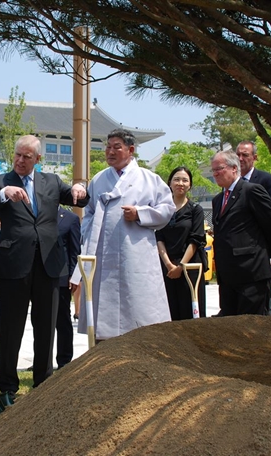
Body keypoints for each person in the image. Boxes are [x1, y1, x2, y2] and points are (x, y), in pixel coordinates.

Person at [0, 134, 88, 399]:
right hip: (13, 266)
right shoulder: (0, 181)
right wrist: (5, 194)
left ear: (37, 159)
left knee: (46, 327)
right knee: (11, 328)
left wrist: (79, 187)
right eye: (17, 155)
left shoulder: (51, 181)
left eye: (26, 156)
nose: (20, 160)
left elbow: (79, 199)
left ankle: (43, 384)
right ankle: (8, 387)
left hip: (49, 265)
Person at [74, 128, 174, 341]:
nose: (110, 152)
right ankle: (103, 344)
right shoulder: (100, 179)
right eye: (108, 147)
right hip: (104, 251)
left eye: (116, 147)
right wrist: (91, 233)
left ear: (130, 150)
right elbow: (89, 212)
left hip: (135, 251)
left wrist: (140, 213)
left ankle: (141, 343)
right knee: (104, 304)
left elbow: (167, 209)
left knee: (138, 302)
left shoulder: (149, 179)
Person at [211, 150, 271, 316]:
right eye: (213, 170)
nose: (215, 174)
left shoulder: (251, 191)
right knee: (229, 327)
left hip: (251, 273)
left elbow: (270, 225)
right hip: (227, 276)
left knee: (251, 327)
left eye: (219, 169)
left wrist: (266, 257)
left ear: (234, 168)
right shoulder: (218, 200)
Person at [156, 166, 207, 320]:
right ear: (170, 183)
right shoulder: (162, 208)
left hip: (190, 268)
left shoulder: (195, 210)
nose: (181, 183)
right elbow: (159, 237)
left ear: (190, 185)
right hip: (167, 268)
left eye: (185, 180)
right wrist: (168, 265)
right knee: (169, 313)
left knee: (190, 313)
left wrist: (180, 267)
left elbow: (196, 239)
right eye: (177, 179)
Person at [55, 205, 80, 368]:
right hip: (40, 278)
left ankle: (64, 360)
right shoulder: (37, 215)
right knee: (40, 320)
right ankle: (40, 359)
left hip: (62, 277)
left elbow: (74, 250)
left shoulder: (71, 218)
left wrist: (74, 276)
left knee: (62, 319)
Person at [236, 141, 271, 215]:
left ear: (254, 157)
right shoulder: (231, 182)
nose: (240, 158)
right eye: (238, 155)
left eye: (245, 155)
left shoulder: (267, 180)